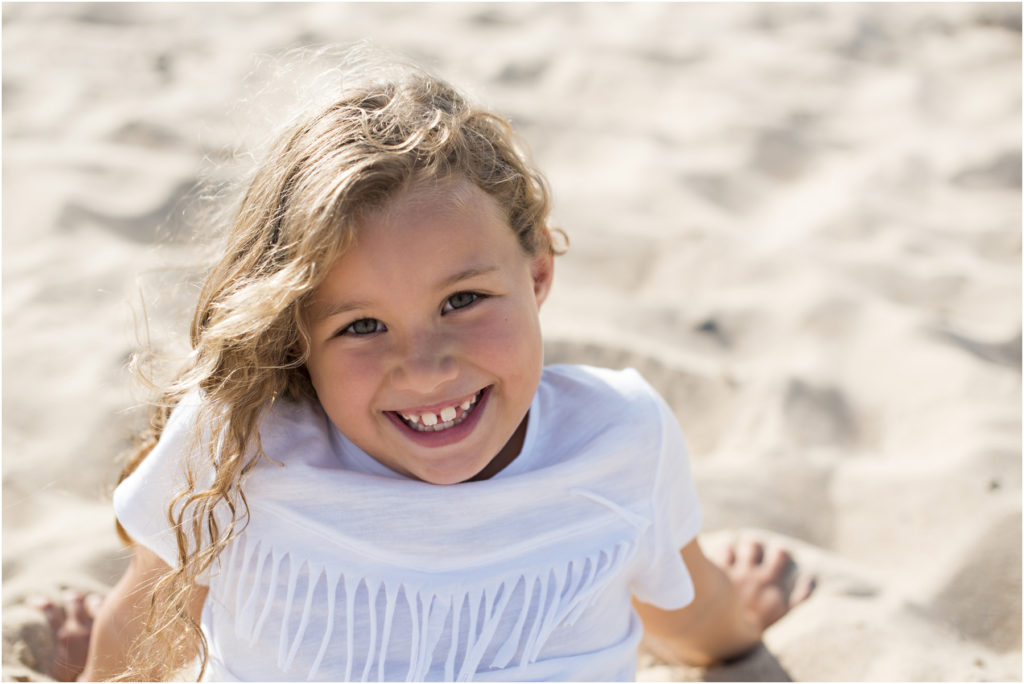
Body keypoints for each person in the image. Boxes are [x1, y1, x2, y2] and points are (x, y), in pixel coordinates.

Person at [42, 60, 813, 682]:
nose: (426, 365)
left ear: (538, 272)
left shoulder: (618, 438)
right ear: (296, 334)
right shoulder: (238, 441)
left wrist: (732, 628)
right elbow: (144, 634)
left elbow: (695, 617)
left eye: (464, 299)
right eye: (362, 326)